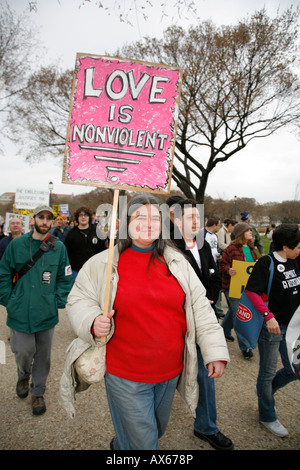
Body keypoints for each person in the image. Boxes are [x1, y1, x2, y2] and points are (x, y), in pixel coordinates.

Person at [66, 194, 230, 450]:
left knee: (156, 428)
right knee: (145, 442)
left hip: (169, 372)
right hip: (125, 373)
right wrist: (91, 321)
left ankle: (122, 446)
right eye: (140, 217)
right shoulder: (103, 263)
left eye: (156, 217)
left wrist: (215, 352)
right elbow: (78, 300)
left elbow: (201, 310)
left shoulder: (178, 263)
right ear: (126, 223)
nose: (149, 223)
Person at [172, 199, 233, 450]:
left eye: (198, 216)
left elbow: (215, 274)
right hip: (177, 322)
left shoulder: (203, 244)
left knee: (204, 376)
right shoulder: (166, 248)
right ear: (176, 220)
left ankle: (206, 426)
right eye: (190, 217)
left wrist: (210, 298)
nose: (196, 221)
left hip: (203, 320)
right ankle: (133, 433)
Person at [0, 205, 73, 415]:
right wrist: (8, 299)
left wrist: (57, 300)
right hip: (19, 311)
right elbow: (4, 272)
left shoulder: (59, 247)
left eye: (48, 218)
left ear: (52, 222)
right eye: (40, 217)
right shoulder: (17, 244)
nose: (44, 221)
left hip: (46, 312)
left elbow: (65, 276)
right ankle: (23, 375)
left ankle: (38, 391)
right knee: (23, 351)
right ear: (33, 220)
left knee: (43, 356)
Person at [244, 224, 300, 437]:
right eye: (297, 247)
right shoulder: (266, 262)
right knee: (266, 373)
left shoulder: (296, 259)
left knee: (294, 368)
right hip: (272, 329)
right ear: (286, 247)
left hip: (293, 327)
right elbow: (251, 291)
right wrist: (268, 316)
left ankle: (264, 393)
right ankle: (267, 414)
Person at [219, 222, 258, 358]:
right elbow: (222, 264)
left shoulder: (252, 248)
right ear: (241, 233)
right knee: (240, 314)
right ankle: (245, 347)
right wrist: (228, 270)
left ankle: (223, 330)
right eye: (248, 231)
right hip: (232, 286)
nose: (251, 233)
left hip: (246, 286)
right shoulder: (231, 248)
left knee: (234, 311)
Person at [64, 206, 107, 283]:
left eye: (86, 215)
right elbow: (66, 253)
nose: (83, 217)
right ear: (77, 218)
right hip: (76, 271)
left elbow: (103, 250)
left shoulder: (96, 231)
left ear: (89, 217)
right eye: (81, 215)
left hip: (94, 271)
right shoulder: (71, 233)